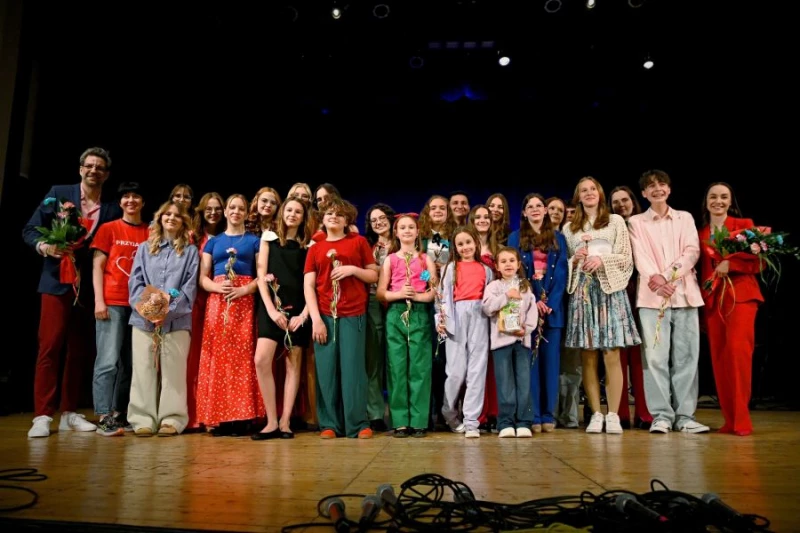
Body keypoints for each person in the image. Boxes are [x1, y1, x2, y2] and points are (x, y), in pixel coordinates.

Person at [23, 147, 122, 438]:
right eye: (89, 166)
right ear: (80, 169)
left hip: (89, 287)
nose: (93, 171)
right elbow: (30, 230)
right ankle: (43, 414)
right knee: (50, 346)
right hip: (56, 280)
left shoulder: (111, 208)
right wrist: (45, 246)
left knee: (79, 350)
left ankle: (69, 412)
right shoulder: (59, 193)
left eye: (99, 167)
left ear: (106, 174)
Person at [628, 169, 710, 434]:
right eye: (651, 186)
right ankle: (662, 415)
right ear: (644, 193)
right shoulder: (636, 222)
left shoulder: (684, 218)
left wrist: (667, 276)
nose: (657, 189)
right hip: (652, 298)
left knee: (687, 358)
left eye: (661, 184)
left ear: (669, 189)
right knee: (655, 359)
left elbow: (692, 251)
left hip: (685, 295)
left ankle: (685, 416)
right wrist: (657, 278)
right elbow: (640, 255)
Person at [562, 177, 641, 434]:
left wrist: (602, 260)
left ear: (599, 193)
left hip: (610, 293)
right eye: (583, 190)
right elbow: (565, 263)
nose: (588, 193)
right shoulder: (569, 228)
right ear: (578, 197)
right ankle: (596, 413)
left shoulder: (615, 221)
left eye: (592, 189)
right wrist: (576, 260)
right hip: (584, 294)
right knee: (588, 355)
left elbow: (626, 258)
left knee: (611, 353)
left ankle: (614, 414)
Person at [303, 196, 378, 439]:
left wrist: (353, 270)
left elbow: (373, 275)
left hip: (353, 314)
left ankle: (357, 423)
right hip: (325, 315)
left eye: (339, 214)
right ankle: (329, 424)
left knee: (353, 370)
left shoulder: (358, 242)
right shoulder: (315, 248)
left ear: (347, 221)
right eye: (329, 214)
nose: (333, 217)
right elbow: (309, 285)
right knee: (326, 371)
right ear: (322, 219)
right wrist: (316, 319)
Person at [127, 201, 199, 436]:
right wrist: (151, 311)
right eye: (167, 214)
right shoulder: (144, 249)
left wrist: (166, 312)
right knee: (143, 370)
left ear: (183, 221)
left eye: (177, 215)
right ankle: (142, 419)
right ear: (159, 218)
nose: (171, 218)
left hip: (177, 321)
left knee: (174, 372)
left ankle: (172, 419)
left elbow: (189, 288)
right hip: (143, 320)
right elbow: (135, 283)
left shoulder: (190, 252)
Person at [698, 182, 762, 436]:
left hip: (740, 297)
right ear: (706, 202)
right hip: (713, 301)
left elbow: (759, 263)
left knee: (738, 355)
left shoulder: (743, 225)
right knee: (720, 360)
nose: (718, 201)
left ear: (730, 201)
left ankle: (742, 421)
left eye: (724, 197)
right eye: (713, 196)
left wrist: (731, 264)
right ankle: (729, 420)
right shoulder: (701, 232)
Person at [252, 195, 314, 440]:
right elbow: (261, 277)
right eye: (289, 210)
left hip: (297, 310)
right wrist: (271, 310)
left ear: (303, 216)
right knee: (261, 360)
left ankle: (285, 421)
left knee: (293, 364)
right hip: (272, 308)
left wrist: (304, 315)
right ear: (282, 213)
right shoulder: (268, 239)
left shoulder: (308, 246)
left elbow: (312, 284)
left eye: (298, 211)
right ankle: (271, 421)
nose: (292, 215)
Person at [90, 182, 150, 436]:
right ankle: (104, 415)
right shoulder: (108, 228)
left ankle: (119, 413)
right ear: (120, 202)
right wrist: (99, 301)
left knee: (130, 363)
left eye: (136, 196)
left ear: (143, 202)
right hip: (112, 302)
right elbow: (97, 266)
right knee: (107, 361)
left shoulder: (150, 231)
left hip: (139, 306)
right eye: (126, 196)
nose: (131, 200)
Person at [376, 213, 436, 438]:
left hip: (419, 313)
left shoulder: (425, 260)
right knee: (397, 367)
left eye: (411, 227)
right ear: (397, 232)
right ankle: (400, 421)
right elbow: (381, 292)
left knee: (420, 368)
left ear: (418, 231)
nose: (407, 231)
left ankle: (419, 420)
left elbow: (432, 291)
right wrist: (399, 294)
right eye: (403, 228)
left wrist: (418, 297)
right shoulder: (390, 260)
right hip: (396, 313)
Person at [436, 226, 494, 438]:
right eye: (460, 244)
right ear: (455, 247)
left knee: (477, 370)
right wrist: (441, 319)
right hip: (457, 317)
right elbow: (442, 297)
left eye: (468, 242)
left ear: (476, 243)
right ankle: (449, 413)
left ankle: (471, 421)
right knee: (455, 371)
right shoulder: (450, 268)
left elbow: (489, 297)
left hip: (480, 316)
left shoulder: (486, 270)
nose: (465, 247)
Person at [481, 247, 538, 438]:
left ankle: (524, 422)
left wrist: (526, 329)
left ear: (518, 264)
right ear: (497, 266)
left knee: (523, 381)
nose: (508, 264)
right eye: (503, 261)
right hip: (501, 342)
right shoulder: (494, 286)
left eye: (512, 261)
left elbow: (532, 312)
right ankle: (505, 422)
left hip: (521, 341)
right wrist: (506, 296)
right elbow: (487, 308)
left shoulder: (525, 287)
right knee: (505, 383)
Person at [609, 185, 652, 429]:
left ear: (633, 202)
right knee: (619, 354)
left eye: (625, 200)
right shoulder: (611, 228)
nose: (621, 205)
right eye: (615, 202)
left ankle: (645, 412)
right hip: (617, 293)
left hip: (642, 294)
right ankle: (621, 412)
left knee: (640, 356)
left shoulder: (643, 226)